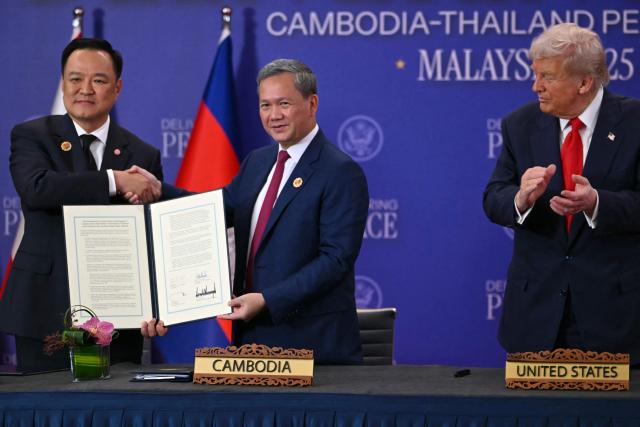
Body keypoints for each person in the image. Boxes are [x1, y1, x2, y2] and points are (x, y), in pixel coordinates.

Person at [142, 59, 369, 365]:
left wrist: (267, 300)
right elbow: (214, 211)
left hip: (312, 345)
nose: (274, 115)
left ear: (312, 103)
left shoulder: (340, 171)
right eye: (265, 105)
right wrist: (158, 190)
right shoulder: (258, 162)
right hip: (251, 341)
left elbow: (335, 260)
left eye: (284, 103)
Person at [0, 38, 174, 369]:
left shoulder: (142, 154)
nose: (85, 89)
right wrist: (115, 180)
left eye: (98, 80)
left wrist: (158, 303)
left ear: (117, 87)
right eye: (75, 79)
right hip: (43, 309)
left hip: (119, 315)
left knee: (112, 411)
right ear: (63, 83)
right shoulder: (32, 135)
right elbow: (37, 188)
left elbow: (151, 237)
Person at [483, 23, 640, 361]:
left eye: (548, 77)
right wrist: (520, 199)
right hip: (536, 315)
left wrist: (597, 203)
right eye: (535, 74)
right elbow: (494, 196)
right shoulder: (519, 125)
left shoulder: (634, 123)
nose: (535, 86)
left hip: (616, 317)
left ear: (584, 82)